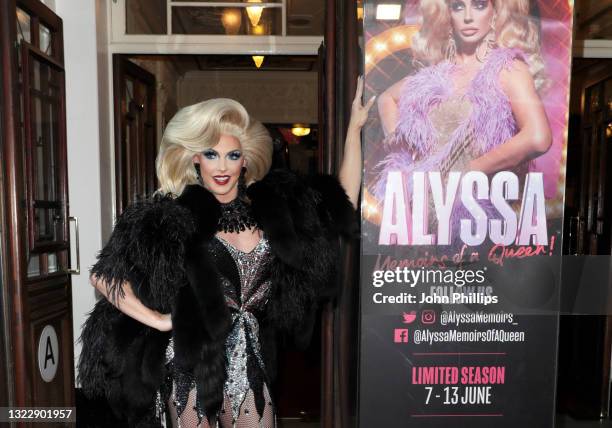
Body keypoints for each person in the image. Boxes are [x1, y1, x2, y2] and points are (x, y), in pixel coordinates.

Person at [78, 85, 374, 427]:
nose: (222, 166)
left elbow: (341, 203)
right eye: (211, 154)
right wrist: (160, 321)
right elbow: (104, 276)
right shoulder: (171, 218)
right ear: (195, 158)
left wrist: (354, 128)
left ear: (245, 159)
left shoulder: (273, 212)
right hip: (190, 361)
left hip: (248, 356)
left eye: (232, 156)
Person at [375, 0, 552, 197]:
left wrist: (466, 172)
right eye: (458, 7)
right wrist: (398, 144)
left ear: (494, 12)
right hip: (421, 204)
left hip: (474, 210)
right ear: (447, 14)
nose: (468, 17)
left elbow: (538, 138)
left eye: (479, 5)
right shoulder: (435, 75)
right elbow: (386, 98)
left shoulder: (508, 69)